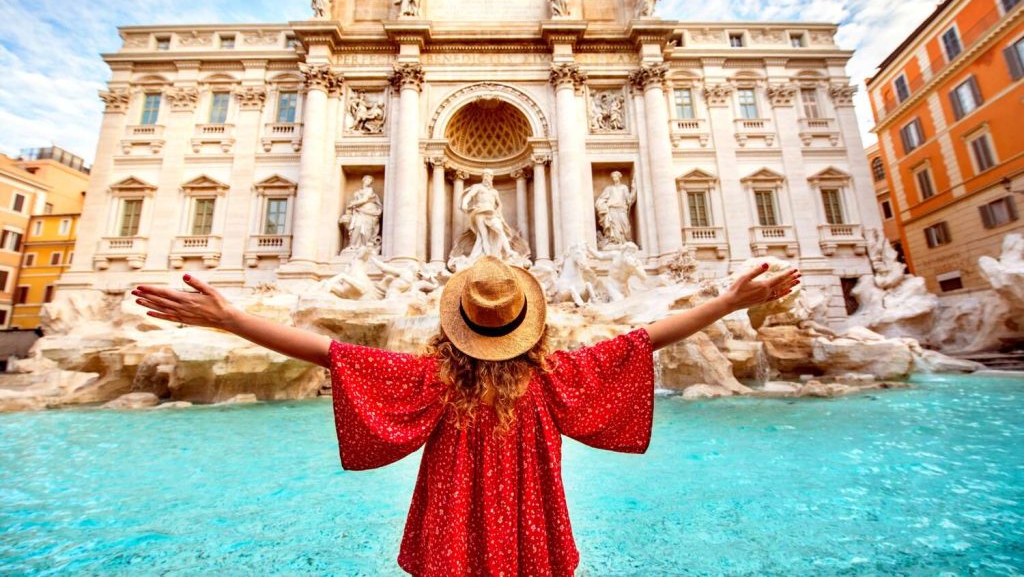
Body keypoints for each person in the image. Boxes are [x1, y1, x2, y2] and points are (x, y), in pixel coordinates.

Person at [131, 257, 798, 576]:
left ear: (456, 326)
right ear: (526, 326)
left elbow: (325, 352)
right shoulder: (556, 375)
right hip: (532, 535)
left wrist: (230, 319)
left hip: (449, 538)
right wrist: (725, 302)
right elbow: (650, 336)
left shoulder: (429, 378)